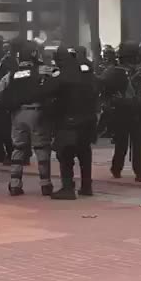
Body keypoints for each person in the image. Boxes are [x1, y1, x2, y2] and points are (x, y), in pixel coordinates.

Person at [0, 41, 59, 196]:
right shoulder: (43, 69)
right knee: (41, 149)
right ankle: (45, 184)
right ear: (35, 54)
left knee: (18, 149)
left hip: (18, 115)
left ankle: (15, 184)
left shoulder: (12, 73)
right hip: (38, 113)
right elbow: (59, 77)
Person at [50, 46, 99, 200]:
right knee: (84, 152)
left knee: (65, 153)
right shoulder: (86, 72)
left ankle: (67, 188)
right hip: (88, 118)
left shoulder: (60, 74)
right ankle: (86, 186)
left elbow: (49, 92)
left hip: (68, 119)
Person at [102, 42, 141, 182]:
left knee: (121, 143)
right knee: (138, 144)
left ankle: (116, 169)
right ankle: (140, 173)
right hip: (137, 112)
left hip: (121, 111)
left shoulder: (114, 71)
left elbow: (104, 90)